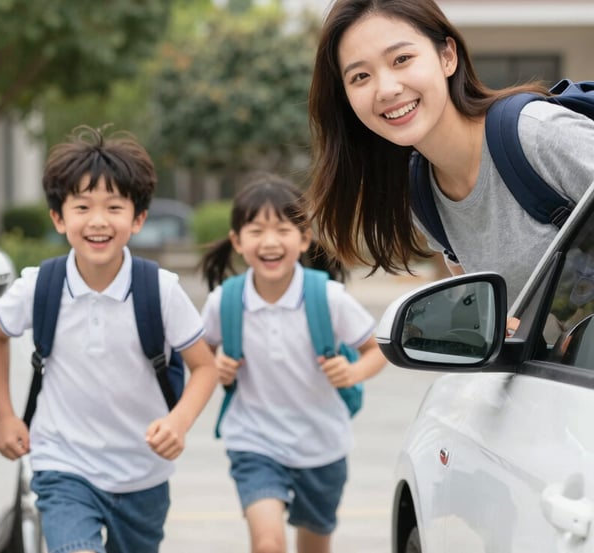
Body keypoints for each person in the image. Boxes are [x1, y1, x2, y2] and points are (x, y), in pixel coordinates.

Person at [0, 126, 217, 553]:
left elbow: (204, 366)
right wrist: (4, 416)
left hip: (144, 473)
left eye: (114, 206)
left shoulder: (160, 290)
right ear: (59, 217)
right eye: (82, 206)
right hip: (62, 466)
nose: (97, 220)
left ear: (138, 218)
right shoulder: (39, 286)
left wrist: (179, 422)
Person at [307, 0, 594, 309]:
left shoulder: (537, 133)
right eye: (360, 76)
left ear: (447, 57)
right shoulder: (422, 194)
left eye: (401, 59)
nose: (386, 89)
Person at [199, 173, 387, 553]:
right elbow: (198, 356)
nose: (270, 242)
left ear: (303, 239)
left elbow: (377, 349)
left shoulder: (328, 298)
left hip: (323, 446)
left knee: (313, 546)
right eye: (256, 230)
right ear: (237, 241)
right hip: (253, 441)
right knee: (267, 543)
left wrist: (352, 373)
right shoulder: (224, 301)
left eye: (283, 229)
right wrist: (216, 361)